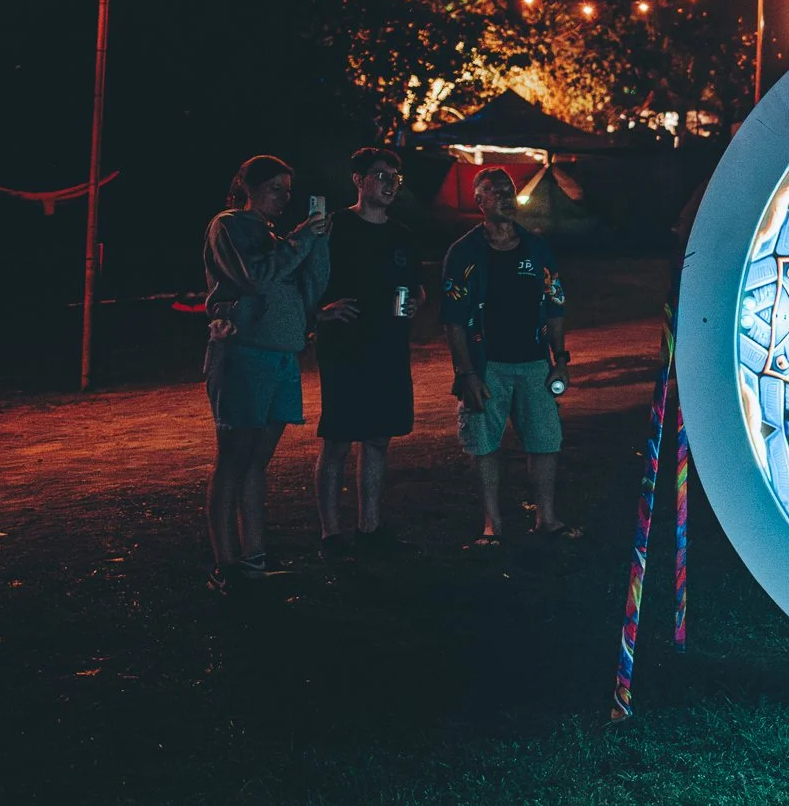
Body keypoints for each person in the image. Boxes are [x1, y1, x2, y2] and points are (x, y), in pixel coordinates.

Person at [202, 155, 336, 592]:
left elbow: (310, 289)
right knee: (233, 459)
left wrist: (318, 244)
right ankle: (225, 565)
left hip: (282, 356)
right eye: (275, 188)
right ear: (248, 186)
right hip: (244, 354)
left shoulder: (278, 237)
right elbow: (257, 276)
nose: (283, 198)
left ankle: (254, 558)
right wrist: (301, 239)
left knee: (257, 461)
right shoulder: (229, 226)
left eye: (288, 191)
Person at [442, 167, 578, 547]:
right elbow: (453, 319)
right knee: (484, 443)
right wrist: (466, 373)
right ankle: (493, 526)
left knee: (545, 440)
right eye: (496, 191)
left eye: (510, 191)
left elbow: (554, 304)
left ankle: (546, 519)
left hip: (535, 364)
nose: (506, 197)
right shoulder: (464, 253)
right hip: (488, 367)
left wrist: (560, 359)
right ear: (479, 200)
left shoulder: (536, 248)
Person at [314, 146, 422, 547]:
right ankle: (331, 532)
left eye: (395, 178)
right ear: (358, 180)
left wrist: (416, 302)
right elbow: (303, 278)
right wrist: (320, 312)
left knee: (378, 437)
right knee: (339, 439)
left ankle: (370, 527)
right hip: (344, 347)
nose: (390, 184)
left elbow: (416, 287)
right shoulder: (334, 227)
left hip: (388, 347)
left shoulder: (401, 235)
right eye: (381, 176)